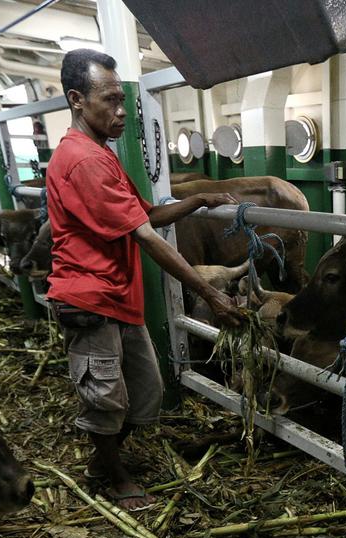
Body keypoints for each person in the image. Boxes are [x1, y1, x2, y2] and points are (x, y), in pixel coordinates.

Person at [46, 49, 242, 511]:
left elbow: (145, 215)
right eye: (110, 101)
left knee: (147, 389)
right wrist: (210, 294)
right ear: (76, 100)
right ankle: (113, 477)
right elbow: (147, 236)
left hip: (116, 294)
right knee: (106, 396)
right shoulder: (84, 161)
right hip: (90, 297)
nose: (120, 112)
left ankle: (103, 460)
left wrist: (199, 200)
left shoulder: (101, 154)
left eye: (123, 101)